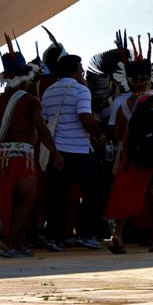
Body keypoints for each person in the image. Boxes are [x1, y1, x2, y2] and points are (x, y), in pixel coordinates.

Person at [0, 48, 63, 257]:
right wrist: (56, 153)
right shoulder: (31, 101)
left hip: (4, 158)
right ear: (26, 79)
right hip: (24, 157)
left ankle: (15, 243)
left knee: (8, 201)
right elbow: (42, 130)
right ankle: (9, 242)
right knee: (27, 199)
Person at [106, 56, 153, 254]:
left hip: (131, 158)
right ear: (149, 79)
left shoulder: (122, 105)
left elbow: (117, 134)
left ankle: (118, 234)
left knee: (128, 197)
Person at [41, 55, 106, 251]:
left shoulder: (48, 92)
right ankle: (86, 234)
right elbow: (85, 117)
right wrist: (99, 136)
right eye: (81, 70)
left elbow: (45, 123)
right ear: (73, 71)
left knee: (56, 196)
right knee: (94, 192)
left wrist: (54, 152)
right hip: (79, 151)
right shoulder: (81, 90)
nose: (82, 74)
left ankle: (55, 237)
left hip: (58, 152)